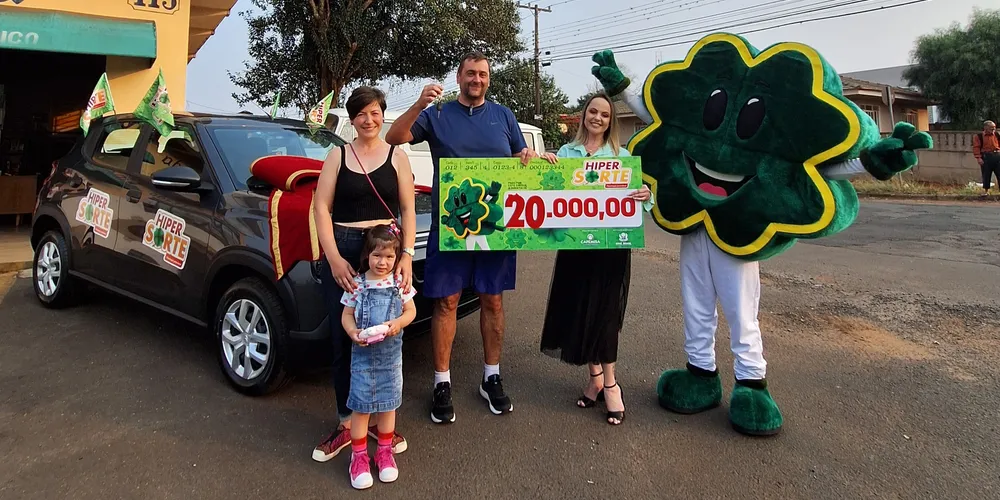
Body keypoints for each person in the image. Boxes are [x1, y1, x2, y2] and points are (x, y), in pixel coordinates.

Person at [385, 51, 539, 423]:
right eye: (471, 73)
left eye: (483, 74)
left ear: (489, 79)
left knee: (493, 302)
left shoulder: (504, 116)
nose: (477, 79)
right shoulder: (437, 114)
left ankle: (492, 377)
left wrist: (529, 157)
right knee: (446, 303)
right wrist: (419, 103)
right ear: (458, 77)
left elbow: (520, 155)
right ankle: (442, 382)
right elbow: (395, 137)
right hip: (450, 225)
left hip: (496, 227)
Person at [311, 86, 416, 462]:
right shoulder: (337, 155)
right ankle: (346, 422)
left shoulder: (397, 156)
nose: (369, 120)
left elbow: (407, 207)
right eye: (361, 114)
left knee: (387, 338)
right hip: (343, 246)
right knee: (346, 338)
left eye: (375, 112)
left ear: (382, 114)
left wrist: (405, 255)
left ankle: (376, 422)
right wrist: (335, 257)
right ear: (352, 119)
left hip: (386, 250)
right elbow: (320, 208)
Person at [539, 93, 651, 426]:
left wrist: (646, 195)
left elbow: (640, 202)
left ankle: (611, 384)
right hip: (575, 247)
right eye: (593, 112)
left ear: (610, 121)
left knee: (604, 313)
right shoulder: (564, 154)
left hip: (610, 249)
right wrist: (541, 169)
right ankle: (595, 377)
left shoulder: (622, 156)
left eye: (604, 114)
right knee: (580, 309)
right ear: (584, 115)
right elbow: (549, 192)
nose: (598, 118)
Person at [339, 224, 417, 490]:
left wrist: (398, 323)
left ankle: (384, 451)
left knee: (388, 405)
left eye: (389, 257)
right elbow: (346, 314)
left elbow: (411, 311)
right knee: (360, 407)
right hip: (362, 357)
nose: (382, 262)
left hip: (390, 359)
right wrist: (352, 332)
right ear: (367, 255)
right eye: (377, 256)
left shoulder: (399, 283)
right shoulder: (358, 283)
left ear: (396, 258)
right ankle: (358, 457)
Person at [973, 120, 1000, 196]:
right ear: (985, 128)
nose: (993, 129)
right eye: (991, 128)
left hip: (997, 155)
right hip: (986, 156)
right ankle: (986, 191)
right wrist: (978, 158)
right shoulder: (979, 136)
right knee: (986, 174)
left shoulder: (997, 134)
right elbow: (976, 147)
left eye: (994, 128)